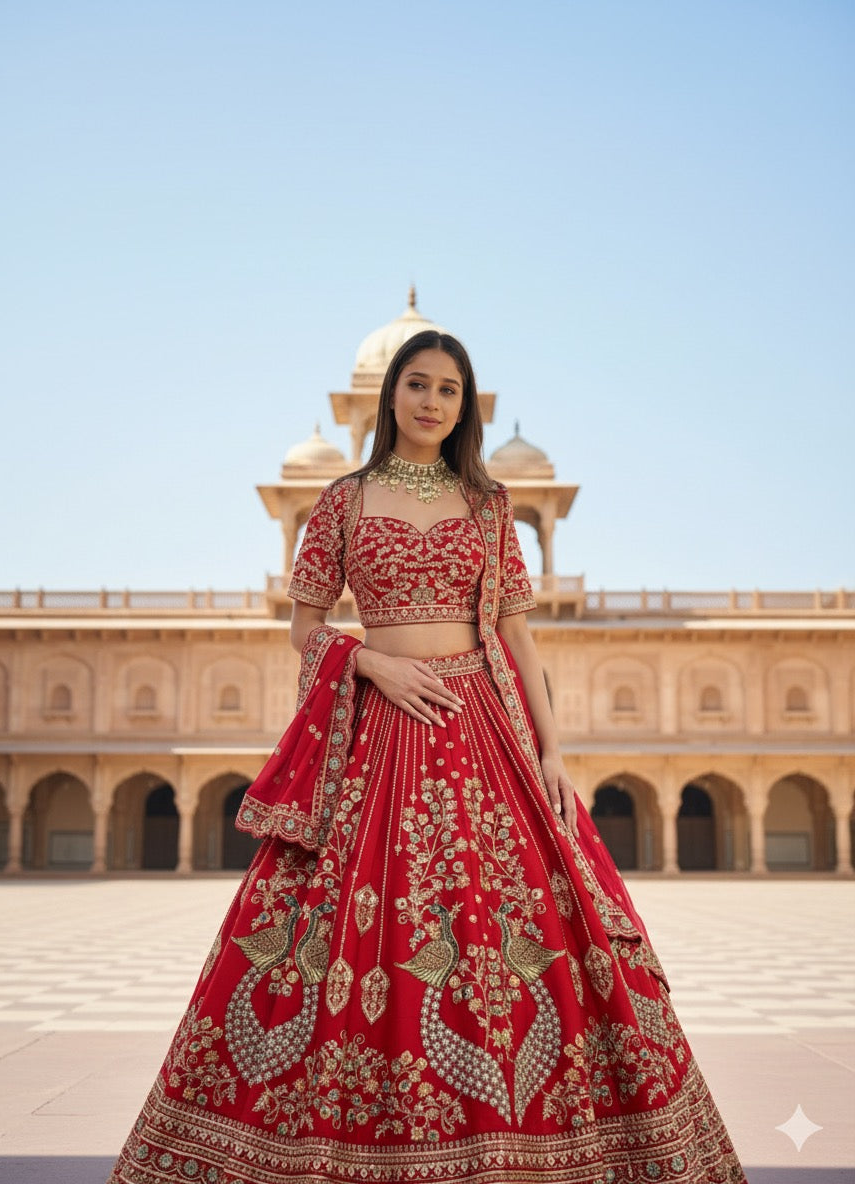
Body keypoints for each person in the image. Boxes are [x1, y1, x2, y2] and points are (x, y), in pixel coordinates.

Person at [107, 330, 746, 1184]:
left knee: (505, 923)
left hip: (483, 721)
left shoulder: (489, 504)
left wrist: (551, 751)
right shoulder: (343, 499)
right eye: (418, 384)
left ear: (464, 405)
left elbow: (518, 635)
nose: (432, 402)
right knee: (346, 923)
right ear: (391, 397)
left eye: (450, 389)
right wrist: (370, 660)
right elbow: (304, 627)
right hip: (378, 720)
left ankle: (522, 1133)